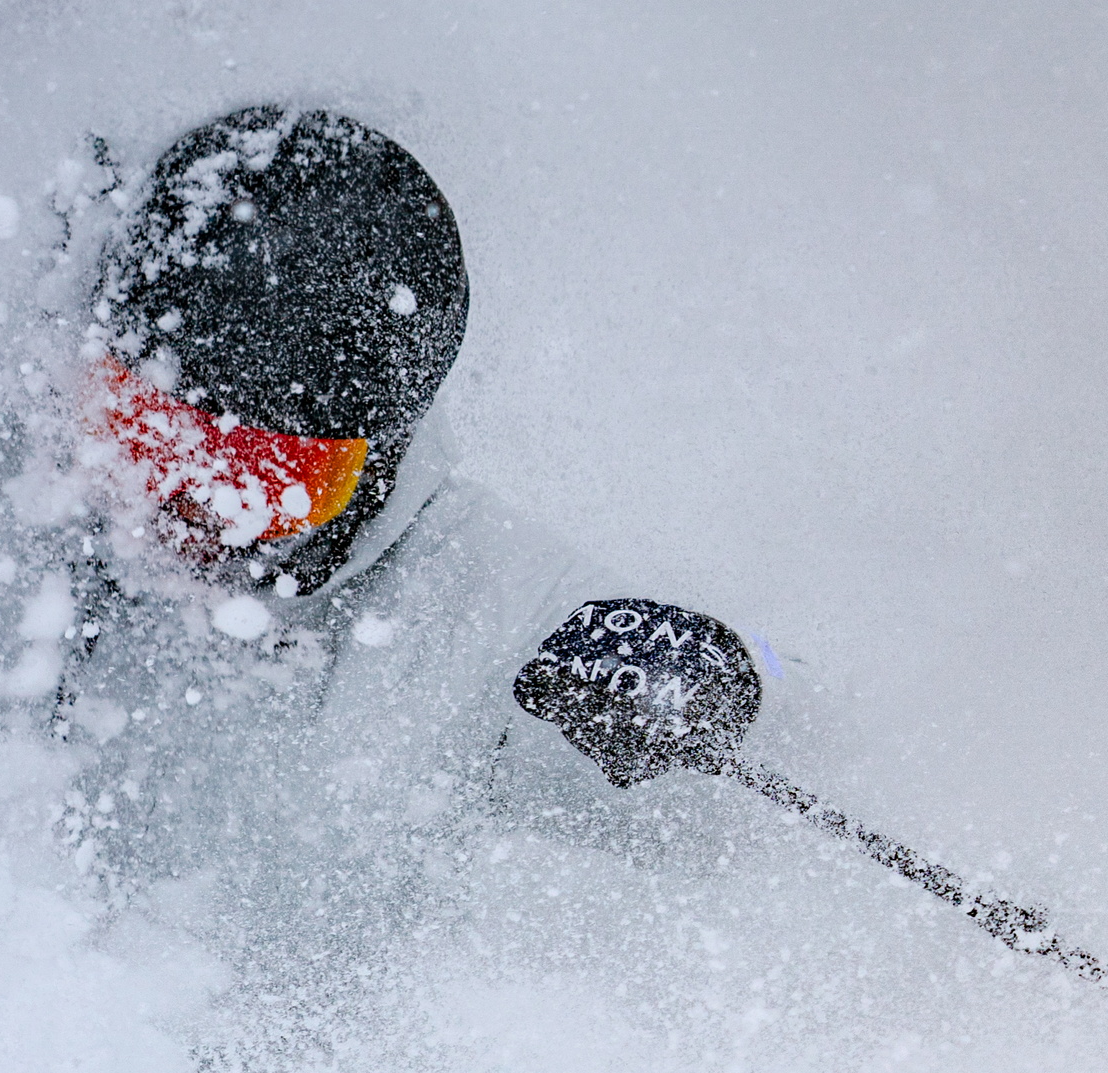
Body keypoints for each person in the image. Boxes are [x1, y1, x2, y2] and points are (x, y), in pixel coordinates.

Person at [57, 105, 764, 956]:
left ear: (377, 460)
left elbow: (726, 824)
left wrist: (727, 685)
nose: (192, 507)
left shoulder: (478, 610)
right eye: (141, 431)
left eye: (271, 481)